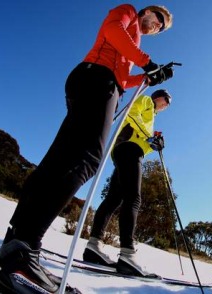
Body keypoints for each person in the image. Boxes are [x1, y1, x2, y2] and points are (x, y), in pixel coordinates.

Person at [0, 4, 174, 293]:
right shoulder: (127, 13)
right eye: (157, 19)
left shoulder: (132, 45)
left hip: (98, 80)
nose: (156, 27)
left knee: (60, 161)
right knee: (86, 159)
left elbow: (124, 78)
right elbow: (113, 32)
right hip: (98, 80)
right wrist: (147, 62)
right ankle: (24, 249)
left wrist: (148, 78)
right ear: (147, 11)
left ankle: (14, 247)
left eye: (161, 29)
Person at [82, 89, 171, 277]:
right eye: (166, 99)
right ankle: (127, 254)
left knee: (114, 198)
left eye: (168, 103)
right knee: (133, 198)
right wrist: (149, 136)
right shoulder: (147, 101)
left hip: (126, 150)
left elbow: (142, 138)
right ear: (158, 96)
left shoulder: (152, 116)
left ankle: (93, 246)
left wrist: (154, 144)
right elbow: (132, 114)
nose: (167, 104)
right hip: (129, 150)